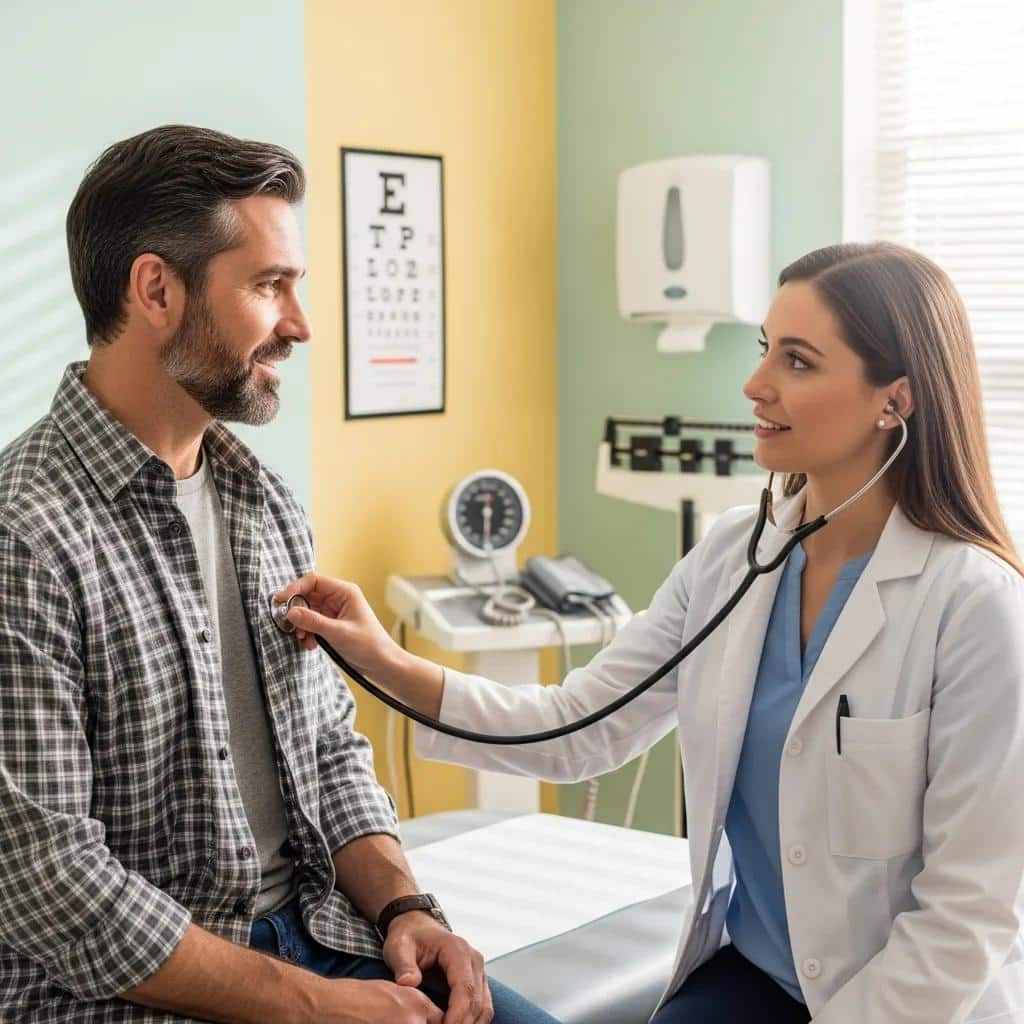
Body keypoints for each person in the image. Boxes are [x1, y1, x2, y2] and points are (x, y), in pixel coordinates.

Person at [276, 242, 1024, 1024]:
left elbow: (968, 914)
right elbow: (575, 727)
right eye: (766, 349)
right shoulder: (735, 557)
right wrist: (384, 660)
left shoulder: (973, 604)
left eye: (799, 362)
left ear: (894, 399)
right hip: (757, 980)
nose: (755, 384)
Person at [0, 124, 559, 1024]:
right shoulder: (24, 535)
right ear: (156, 290)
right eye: (270, 286)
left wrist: (404, 907)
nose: (299, 324)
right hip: (130, 994)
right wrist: (304, 1005)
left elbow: (325, 748)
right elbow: (48, 875)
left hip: (322, 939)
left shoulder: (261, 500)